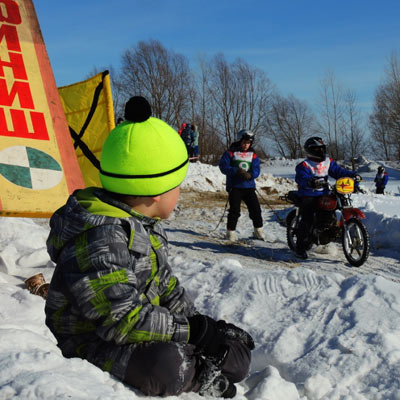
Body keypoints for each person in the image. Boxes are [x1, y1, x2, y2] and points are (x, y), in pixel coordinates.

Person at [44, 96, 253, 399]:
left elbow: (166, 287)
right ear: (155, 192)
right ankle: (194, 376)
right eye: (177, 185)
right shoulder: (101, 238)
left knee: (235, 354)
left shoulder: (142, 225)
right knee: (168, 366)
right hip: (92, 339)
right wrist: (193, 333)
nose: (179, 193)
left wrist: (207, 330)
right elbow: (120, 320)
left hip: (140, 328)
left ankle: (198, 362)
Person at [294, 136, 361, 259]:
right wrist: (310, 182)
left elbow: (339, 172)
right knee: (307, 220)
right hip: (308, 195)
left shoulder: (327, 161)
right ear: (310, 150)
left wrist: (353, 175)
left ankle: (326, 233)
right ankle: (300, 247)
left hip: (324, 194)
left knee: (331, 211)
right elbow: (301, 178)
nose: (320, 151)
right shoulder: (304, 165)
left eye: (322, 148)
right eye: (316, 149)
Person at [219, 129, 266, 242]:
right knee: (234, 211)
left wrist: (250, 175)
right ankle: (230, 232)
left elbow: (256, 169)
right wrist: (236, 171)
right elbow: (223, 166)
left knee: (256, 209)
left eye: (248, 143)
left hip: (249, 187)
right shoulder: (230, 152)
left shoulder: (253, 154)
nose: (246, 145)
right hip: (235, 187)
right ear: (240, 141)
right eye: (244, 142)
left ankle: (258, 230)